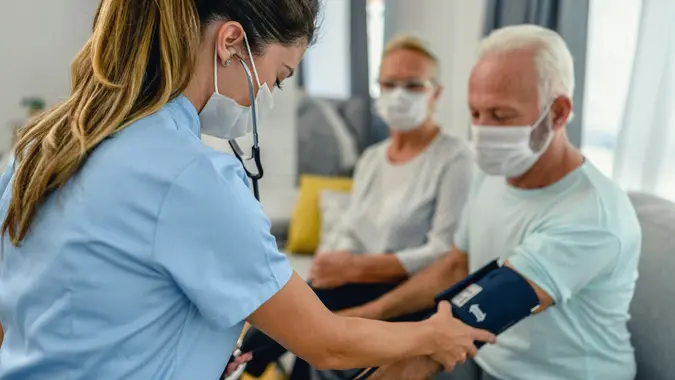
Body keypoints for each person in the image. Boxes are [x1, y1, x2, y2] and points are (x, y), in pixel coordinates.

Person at [0, 1, 496, 380]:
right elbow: (329, 344)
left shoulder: (40, 149)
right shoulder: (189, 176)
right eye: (277, 78)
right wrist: (433, 333)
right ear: (231, 43)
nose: (264, 96)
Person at [343, 25, 642, 380]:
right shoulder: (496, 169)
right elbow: (456, 265)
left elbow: (476, 317)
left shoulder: (591, 215)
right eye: (475, 113)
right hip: (487, 361)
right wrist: (366, 315)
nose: (483, 132)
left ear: (559, 112)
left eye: (501, 116)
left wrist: (347, 337)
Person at [240, 34, 474, 379]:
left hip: (408, 295)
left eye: (413, 85)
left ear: (435, 93)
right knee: (270, 330)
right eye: (390, 84)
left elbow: (443, 254)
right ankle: (246, 363)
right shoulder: (372, 159)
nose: (399, 94)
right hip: (352, 281)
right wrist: (333, 261)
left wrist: (355, 267)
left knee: (313, 343)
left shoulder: (455, 159)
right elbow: (352, 228)